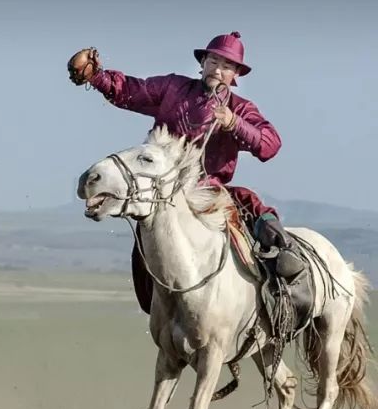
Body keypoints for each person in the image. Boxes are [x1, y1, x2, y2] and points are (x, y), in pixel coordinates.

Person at [69, 32, 305, 313]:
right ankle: (158, 306)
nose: (218, 69)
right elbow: (132, 91)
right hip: (162, 189)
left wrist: (234, 123)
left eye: (227, 66)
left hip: (209, 190)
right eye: (214, 60)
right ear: (202, 62)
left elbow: (270, 145)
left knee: (255, 210)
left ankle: (288, 290)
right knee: (146, 234)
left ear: (235, 75)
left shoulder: (240, 109)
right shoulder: (173, 87)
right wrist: (97, 77)